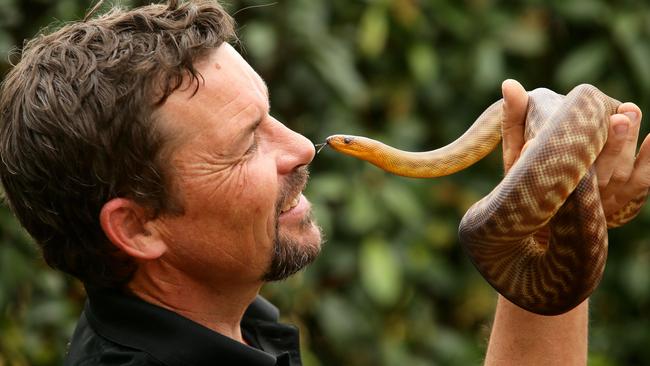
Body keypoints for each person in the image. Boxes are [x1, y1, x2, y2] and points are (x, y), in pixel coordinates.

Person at [0, 1, 647, 365]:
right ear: (137, 226)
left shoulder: (240, 332)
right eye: (246, 142)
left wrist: (555, 209)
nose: (302, 147)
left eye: (270, 114)